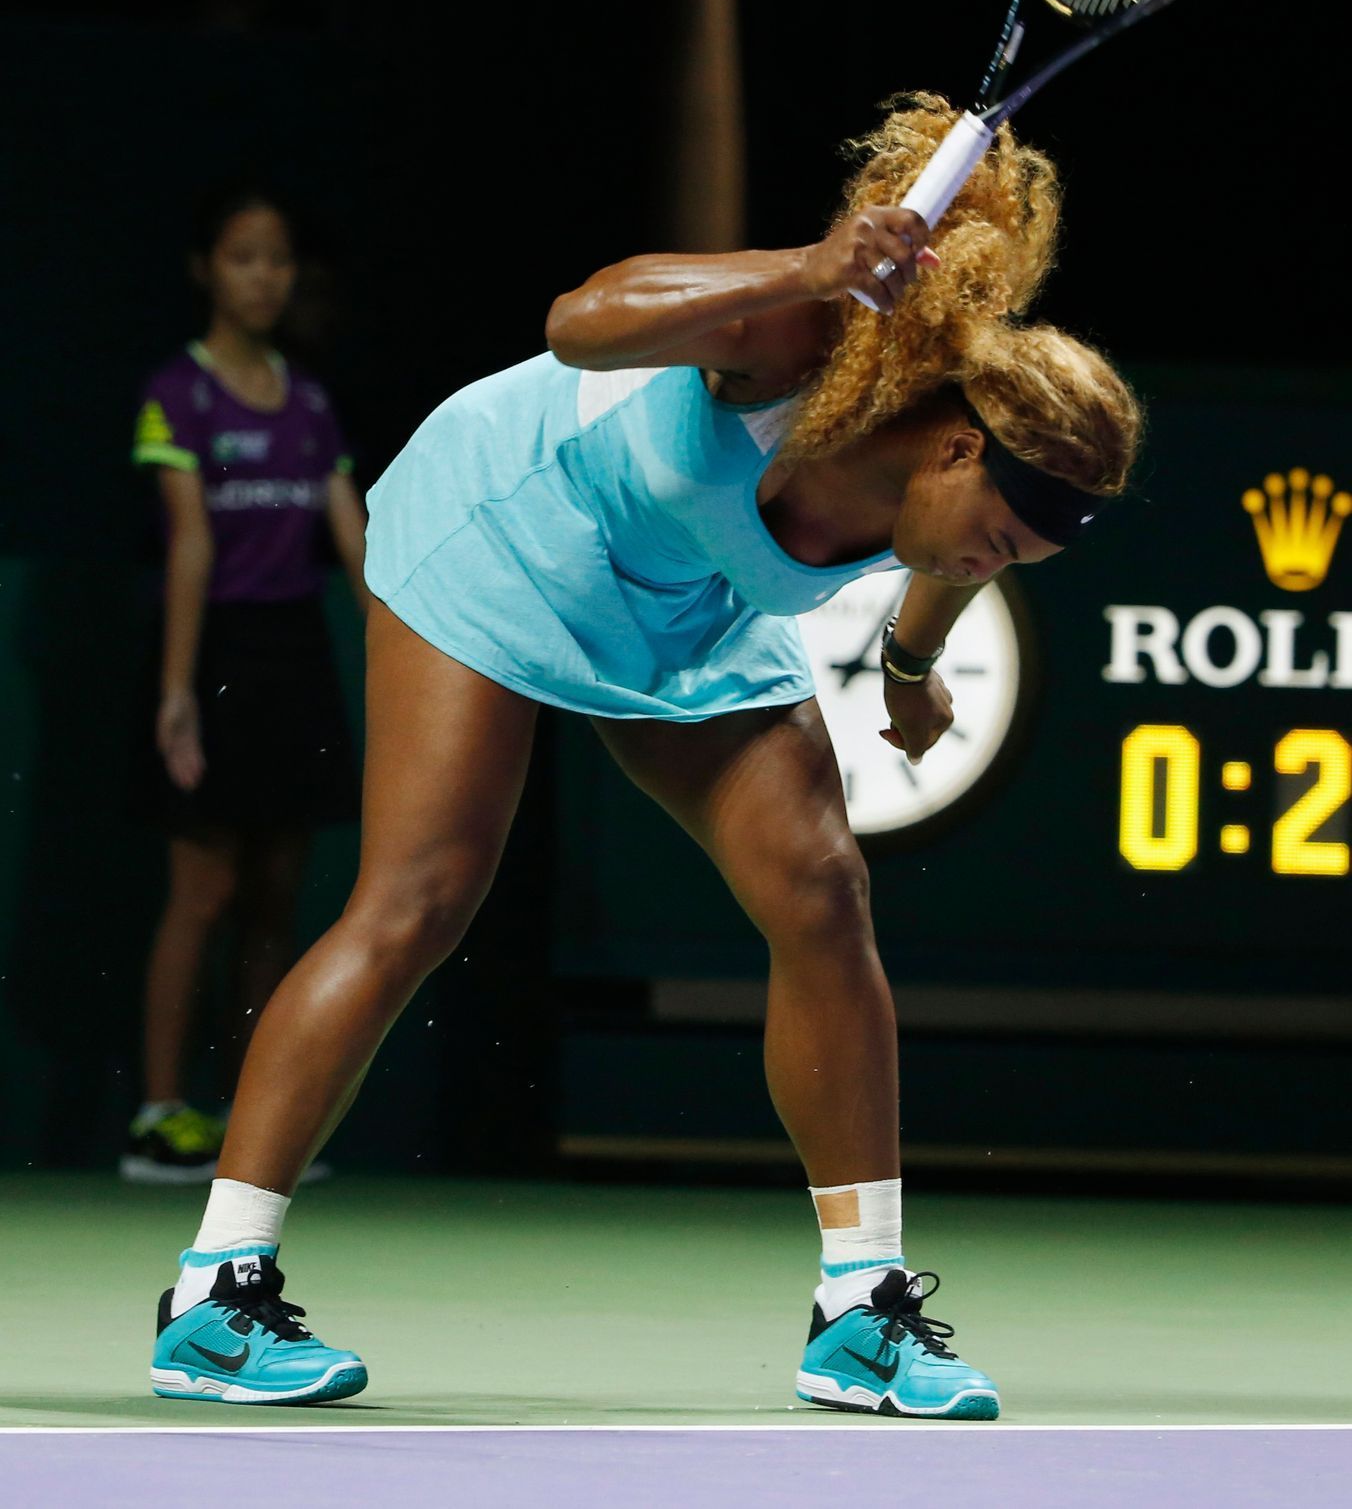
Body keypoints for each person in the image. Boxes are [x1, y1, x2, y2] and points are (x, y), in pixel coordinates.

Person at [146, 94, 1140, 1415]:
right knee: (418, 900)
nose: (986, 568)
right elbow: (577, 317)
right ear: (959, 449)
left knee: (820, 887)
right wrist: (811, 266)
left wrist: (906, 666)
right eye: (1003, 543)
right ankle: (215, 1297)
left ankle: (862, 1310)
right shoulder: (795, 343)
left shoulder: (942, 490)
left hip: (684, 608)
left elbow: (942, 549)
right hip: (507, 535)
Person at [122, 192, 368, 1184]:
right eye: (243, 259)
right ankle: (159, 1116)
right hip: (212, 651)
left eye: (278, 261)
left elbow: (353, 545)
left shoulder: (308, 403)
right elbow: (189, 544)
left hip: (295, 655)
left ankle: (248, 1127)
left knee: (274, 895)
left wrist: (403, 655)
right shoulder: (176, 395)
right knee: (204, 889)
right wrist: (177, 693)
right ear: (205, 271)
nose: (265, 278)